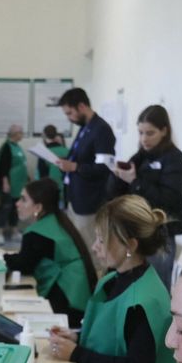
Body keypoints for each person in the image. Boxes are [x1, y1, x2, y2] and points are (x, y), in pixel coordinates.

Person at [48, 195, 182, 363]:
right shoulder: (115, 279)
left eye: (102, 240)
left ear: (130, 245)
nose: (94, 246)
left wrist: (77, 353)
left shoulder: (142, 300)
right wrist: (78, 338)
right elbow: (116, 336)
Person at [108, 105, 182, 291]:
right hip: (135, 229)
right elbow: (115, 195)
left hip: (161, 232)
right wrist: (116, 176)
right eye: (140, 132)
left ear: (164, 131)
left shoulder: (175, 159)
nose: (144, 139)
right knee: (132, 284)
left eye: (150, 133)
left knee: (156, 286)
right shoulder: (140, 157)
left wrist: (136, 182)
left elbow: (169, 199)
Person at [3, 178, 96, 325]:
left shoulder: (37, 233)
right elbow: (28, 259)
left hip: (69, 296)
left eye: (23, 200)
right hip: (78, 289)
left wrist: (2, 258)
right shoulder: (56, 220)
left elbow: (24, 264)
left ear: (38, 207)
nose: (17, 203)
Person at [55, 88, 116, 262]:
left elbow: (104, 168)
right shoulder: (85, 128)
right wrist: (65, 163)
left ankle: (95, 284)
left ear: (81, 106)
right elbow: (79, 158)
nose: (69, 118)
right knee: (79, 247)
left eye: (70, 113)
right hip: (75, 197)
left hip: (90, 201)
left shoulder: (101, 129)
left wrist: (74, 166)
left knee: (92, 251)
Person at [0, 123, 29, 245]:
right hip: (8, 185)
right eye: (21, 132)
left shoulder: (18, 147)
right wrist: (5, 183)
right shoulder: (6, 147)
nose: (22, 135)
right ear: (15, 134)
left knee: (15, 209)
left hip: (18, 185)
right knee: (5, 207)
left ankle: (14, 231)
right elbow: (3, 167)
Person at [37, 124, 67, 208]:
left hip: (49, 189)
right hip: (64, 189)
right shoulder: (67, 151)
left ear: (44, 135)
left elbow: (41, 174)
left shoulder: (43, 153)